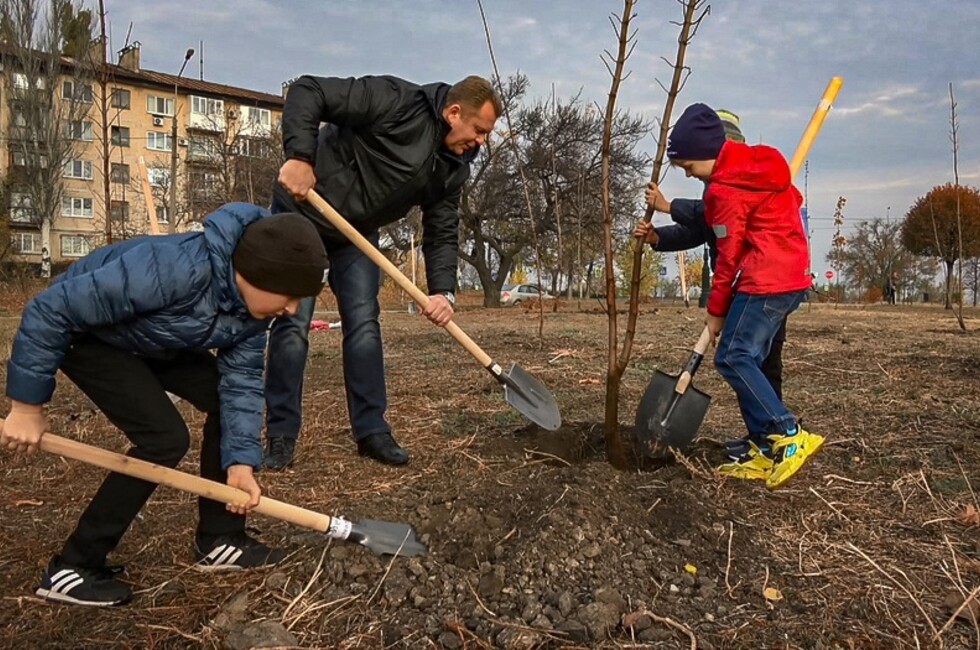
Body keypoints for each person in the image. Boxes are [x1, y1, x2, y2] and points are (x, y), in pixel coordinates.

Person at [0, 205, 329, 606]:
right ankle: (73, 566)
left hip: (153, 337)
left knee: (221, 400)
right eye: (290, 294)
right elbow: (50, 309)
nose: (293, 309)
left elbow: (240, 384)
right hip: (87, 335)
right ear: (257, 274)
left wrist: (240, 463)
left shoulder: (254, 313)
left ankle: (220, 538)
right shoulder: (173, 268)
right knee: (164, 438)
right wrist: (27, 407)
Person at [263, 74, 502, 469]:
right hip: (306, 210)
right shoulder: (396, 101)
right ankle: (282, 436)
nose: (481, 142)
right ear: (454, 112)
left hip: (355, 231)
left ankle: (371, 430)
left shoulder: (454, 165)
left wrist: (444, 291)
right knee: (293, 324)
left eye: (486, 135)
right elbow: (310, 90)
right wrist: (299, 157)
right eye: (479, 131)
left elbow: (442, 229)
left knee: (364, 323)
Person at [644, 103, 823, 490]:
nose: (690, 175)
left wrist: (715, 311)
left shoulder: (724, 190)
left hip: (765, 279)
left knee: (733, 356)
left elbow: (726, 259)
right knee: (748, 358)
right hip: (788, 276)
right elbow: (791, 202)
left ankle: (787, 433)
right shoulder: (759, 168)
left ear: (706, 153)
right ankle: (763, 447)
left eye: (690, 167)